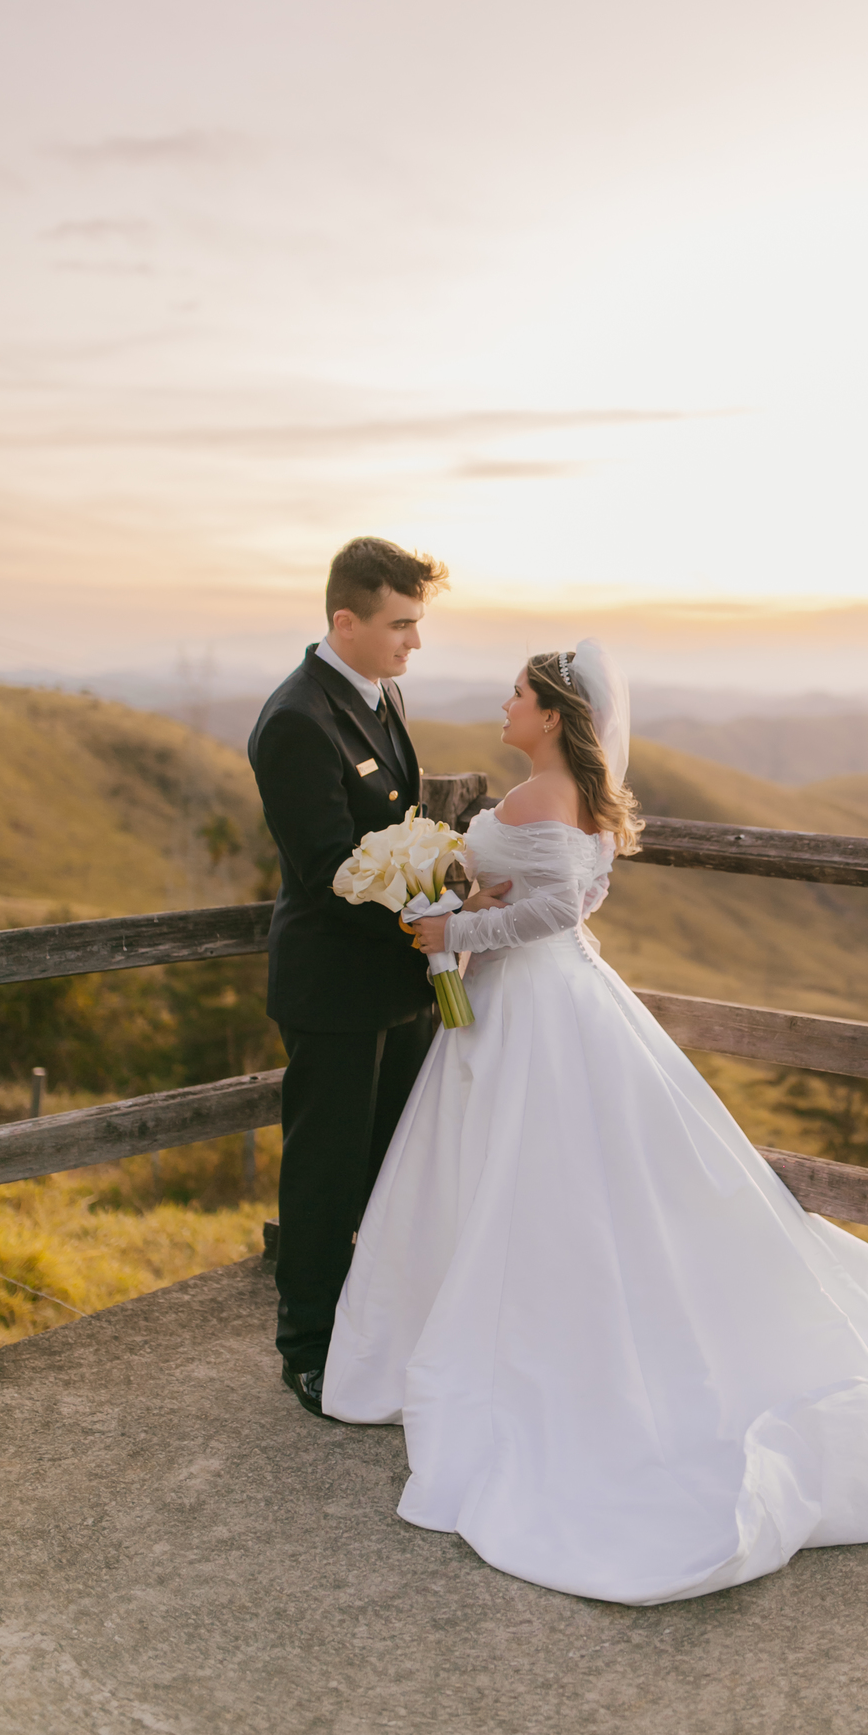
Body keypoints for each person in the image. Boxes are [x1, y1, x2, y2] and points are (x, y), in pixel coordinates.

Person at [321, 638, 868, 1604]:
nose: (506, 703)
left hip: (531, 1004)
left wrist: (456, 927)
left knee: (531, 1175)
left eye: (519, 693)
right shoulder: (577, 799)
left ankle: (528, 1343)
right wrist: (477, 899)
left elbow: (556, 910)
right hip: (556, 998)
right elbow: (580, 892)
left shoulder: (538, 798)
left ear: (553, 716)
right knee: (557, 1178)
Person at [248, 536, 509, 1417]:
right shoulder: (295, 720)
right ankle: (309, 1349)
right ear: (345, 620)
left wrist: (440, 898)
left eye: (417, 624)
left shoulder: (381, 692)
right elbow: (328, 868)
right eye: (401, 625)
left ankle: (378, 1329)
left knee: (397, 1165)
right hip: (334, 990)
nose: (414, 643)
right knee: (326, 1174)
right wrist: (434, 914)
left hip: (400, 982)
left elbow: (396, 827)